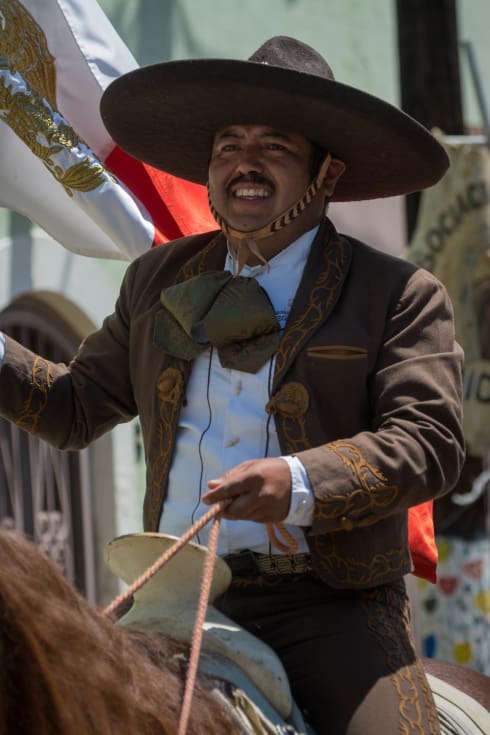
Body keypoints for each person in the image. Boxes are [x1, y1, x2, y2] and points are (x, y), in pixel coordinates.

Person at [0, 36, 465, 734]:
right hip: (171, 590)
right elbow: (73, 409)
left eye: (273, 145)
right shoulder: (156, 280)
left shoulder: (397, 293)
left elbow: (429, 442)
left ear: (325, 173)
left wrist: (297, 481)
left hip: (328, 605)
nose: (244, 163)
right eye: (228, 146)